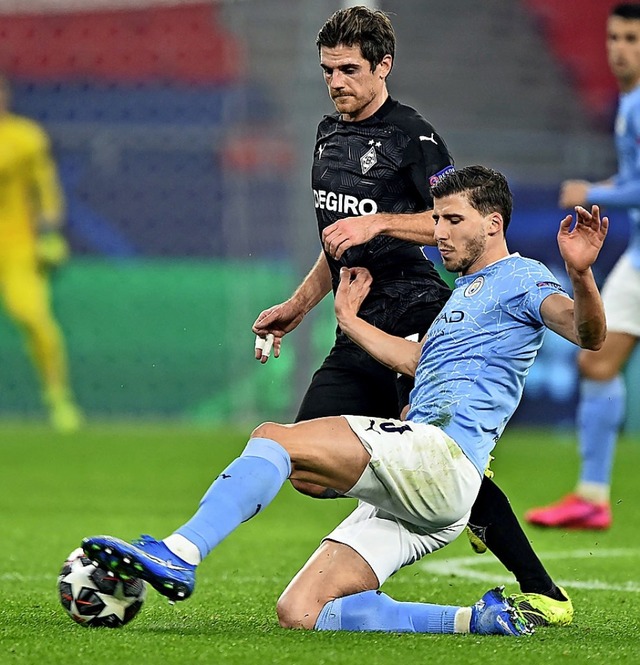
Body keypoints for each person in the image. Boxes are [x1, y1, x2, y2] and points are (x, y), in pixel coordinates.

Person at [82, 166, 607, 637]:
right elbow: (414, 362)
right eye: (438, 220)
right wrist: (349, 320)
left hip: (440, 456)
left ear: (492, 224)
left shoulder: (522, 277)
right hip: (436, 497)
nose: (440, 233)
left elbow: (586, 334)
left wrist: (581, 275)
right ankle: (480, 622)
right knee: (302, 611)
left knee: (273, 438)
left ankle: (180, 552)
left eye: (451, 220)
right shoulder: (462, 297)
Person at [252, 6, 572, 624]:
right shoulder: (326, 134)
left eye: (349, 69)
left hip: (418, 306)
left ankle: (538, 586)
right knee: (306, 471)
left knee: (437, 451)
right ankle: (424, 510)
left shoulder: (416, 137)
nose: (336, 82)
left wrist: (382, 222)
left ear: (383, 67)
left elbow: (454, 218)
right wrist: (298, 305)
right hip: (358, 314)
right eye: (327, 71)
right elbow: (339, 241)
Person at [526, 3, 640, 531]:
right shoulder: (629, 102)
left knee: (596, 361)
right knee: (595, 362)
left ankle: (593, 496)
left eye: (632, 39)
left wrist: (592, 192)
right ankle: (592, 497)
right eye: (615, 38)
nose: (620, 49)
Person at [0, 73, 82, 432]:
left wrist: (49, 234)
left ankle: (58, 397)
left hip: (16, 247)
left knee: (33, 317)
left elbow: (45, 189)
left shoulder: (24, 137)